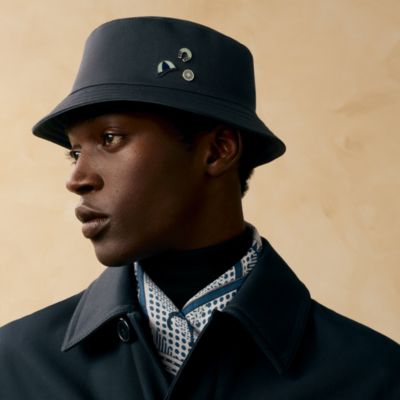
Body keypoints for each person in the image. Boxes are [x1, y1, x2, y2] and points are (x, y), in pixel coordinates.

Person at [0, 16, 399, 400]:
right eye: (74, 152)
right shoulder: (16, 365)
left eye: (110, 138)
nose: (77, 179)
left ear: (218, 150)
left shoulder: (373, 377)